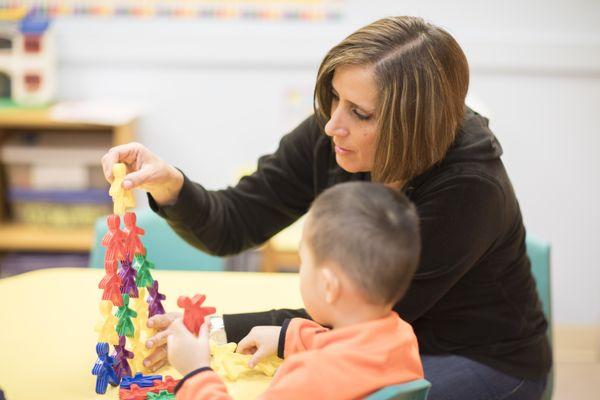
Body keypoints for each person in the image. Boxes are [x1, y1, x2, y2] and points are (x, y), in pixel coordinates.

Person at [102, 16, 551, 399]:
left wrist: (211, 338)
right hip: (381, 337)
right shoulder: (334, 133)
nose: (333, 124)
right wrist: (171, 185)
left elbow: (360, 318)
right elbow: (234, 224)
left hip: (482, 359)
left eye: (360, 112)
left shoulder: (470, 189)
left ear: (413, 123)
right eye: (335, 98)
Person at [167, 182, 424, 399]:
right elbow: (347, 348)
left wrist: (196, 373)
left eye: (304, 262)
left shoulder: (308, 378)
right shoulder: (401, 338)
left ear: (329, 286)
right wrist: (285, 338)